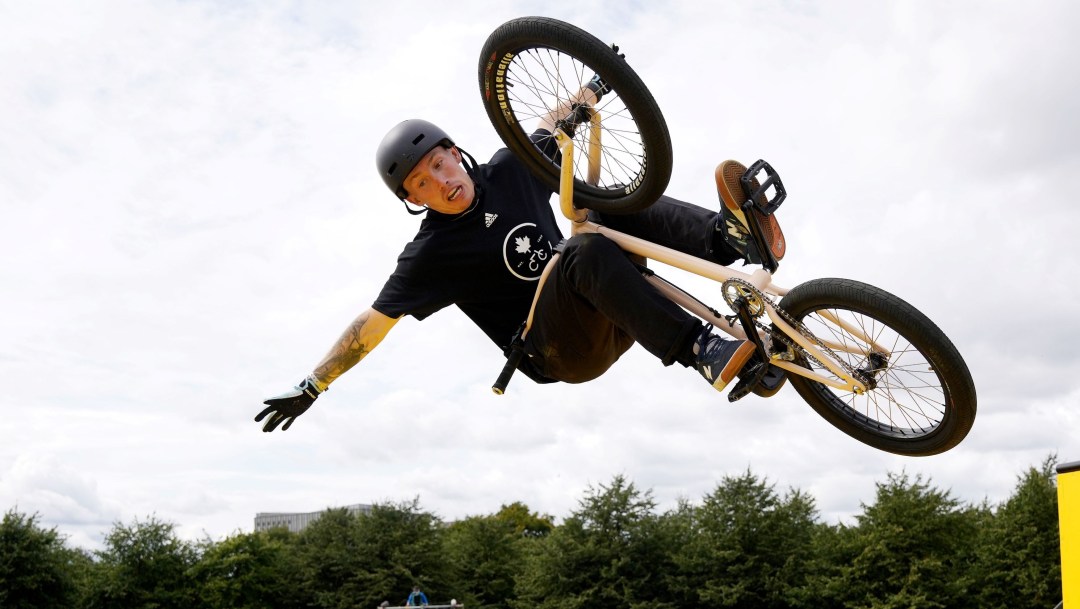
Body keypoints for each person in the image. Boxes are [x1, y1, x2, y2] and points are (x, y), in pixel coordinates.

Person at [255, 76, 777, 433]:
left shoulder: (509, 170)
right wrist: (314, 383)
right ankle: (702, 352)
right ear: (414, 200)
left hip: (618, 303)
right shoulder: (430, 255)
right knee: (581, 250)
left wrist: (596, 82)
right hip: (560, 349)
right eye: (422, 183)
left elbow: (554, 125)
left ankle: (727, 239)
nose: (441, 182)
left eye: (440, 165)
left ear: (456, 155)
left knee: (600, 205)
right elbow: (370, 325)